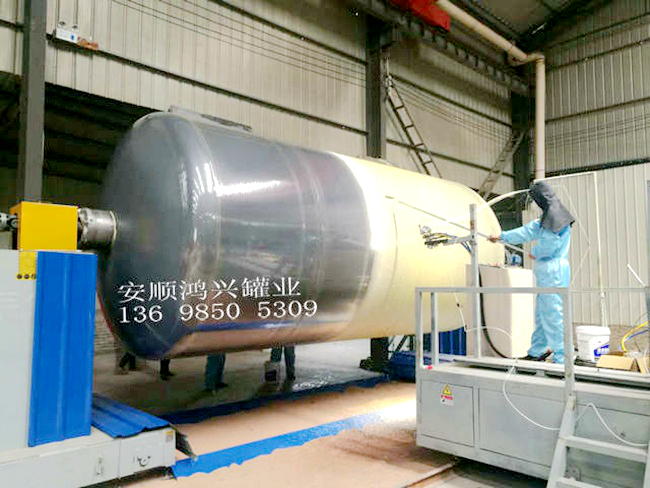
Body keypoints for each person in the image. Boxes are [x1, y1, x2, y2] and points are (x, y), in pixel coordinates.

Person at [489, 181, 574, 364]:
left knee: (553, 314)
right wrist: (502, 237)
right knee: (542, 313)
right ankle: (537, 351)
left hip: (553, 271)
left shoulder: (555, 218)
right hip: (547, 272)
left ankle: (563, 357)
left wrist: (535, 252)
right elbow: (526, 232)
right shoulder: (547, 218)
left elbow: (550, 244)